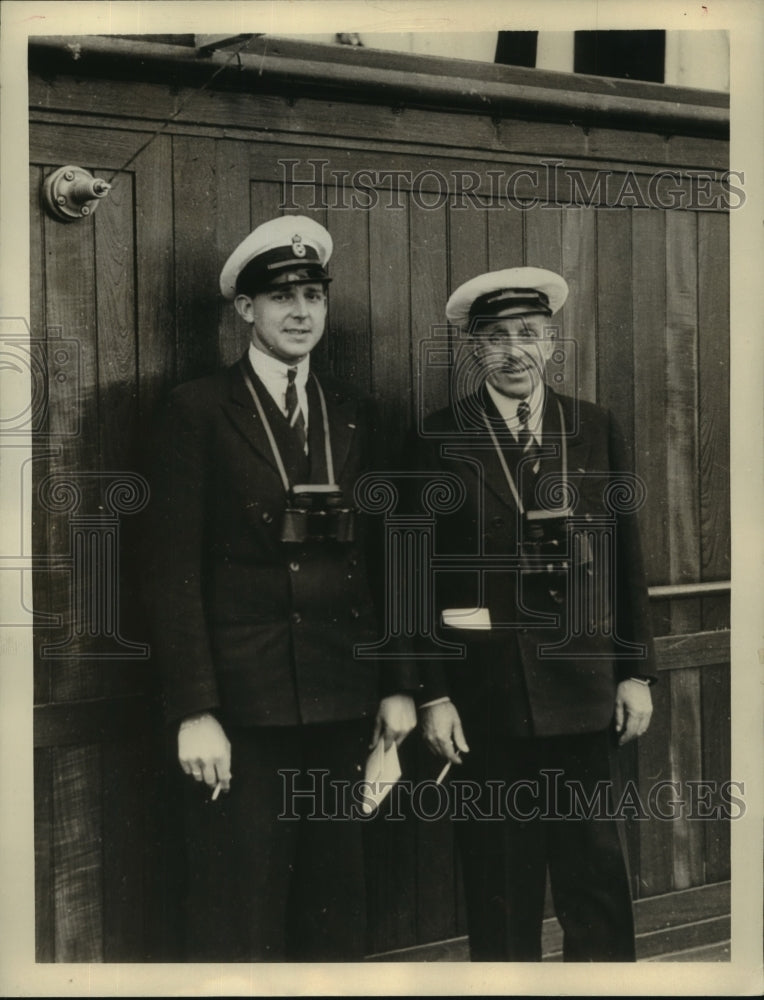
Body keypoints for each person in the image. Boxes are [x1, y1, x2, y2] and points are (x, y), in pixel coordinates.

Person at [145, 215, 416, 961]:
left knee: (335, 906)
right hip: (243, 708)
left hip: (340, 697)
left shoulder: (358, 411)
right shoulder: (195, 410)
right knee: (239, 911)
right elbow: (171, 573)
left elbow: (390, 559)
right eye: (281, 297)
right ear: (245, 311)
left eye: (314, 296)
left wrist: (398, 684)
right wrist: (194, 709)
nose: (301, 312)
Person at [409, 266, 656, 962]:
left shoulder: (595, 427)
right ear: (472, 352)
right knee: (500, 886)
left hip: (584, 693)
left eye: (529, 334)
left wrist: (637, 673)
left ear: (552, 343)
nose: (514, 351)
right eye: (495, 338)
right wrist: (435, 694)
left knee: (597, 882)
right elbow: (412, 581)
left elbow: (624, 558)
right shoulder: (437, 437)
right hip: (486, 697)